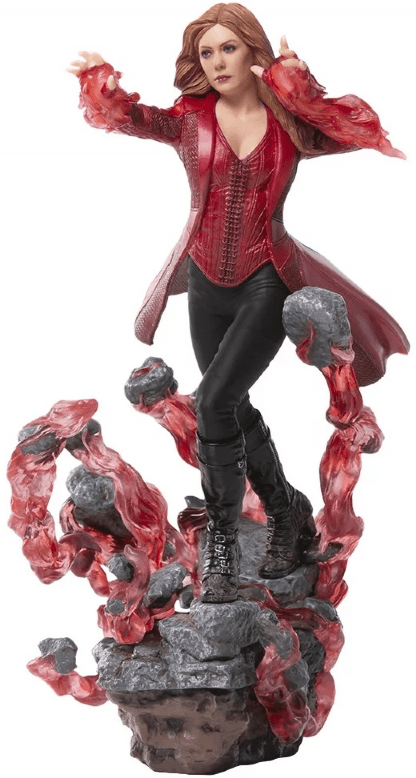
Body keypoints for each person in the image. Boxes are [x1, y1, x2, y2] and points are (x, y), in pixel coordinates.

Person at [70, 3, 409, 604]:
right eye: (206, 52)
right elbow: (137, 119)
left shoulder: (291, 124)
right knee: (227, 404)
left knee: (213, 401)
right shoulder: (190, 119)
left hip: (266, 279)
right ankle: (285, 509)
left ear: (254, 52)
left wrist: (298, 86)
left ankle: (223, 544)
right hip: (205, 281)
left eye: (228, 48)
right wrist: (104, 86)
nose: (217, 62)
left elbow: (351, 129)